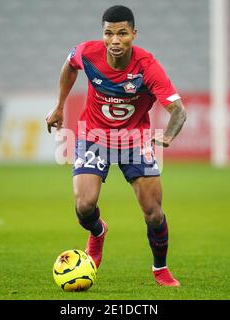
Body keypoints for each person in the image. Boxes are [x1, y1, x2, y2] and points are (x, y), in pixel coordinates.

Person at [46, 5, 186, 287]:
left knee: (153, 212)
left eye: (122, 33)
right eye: (108, 33)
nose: (114, 40)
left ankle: (160, 268)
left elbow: (179, 111)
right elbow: (69, 66)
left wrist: (169, 136)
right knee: (84, 206)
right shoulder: (87, 52)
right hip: (93, 135)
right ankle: (97, 233)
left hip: (134, 139)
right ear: (103, 34)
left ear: (133, 34)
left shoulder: (148, 67)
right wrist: (60, 105)